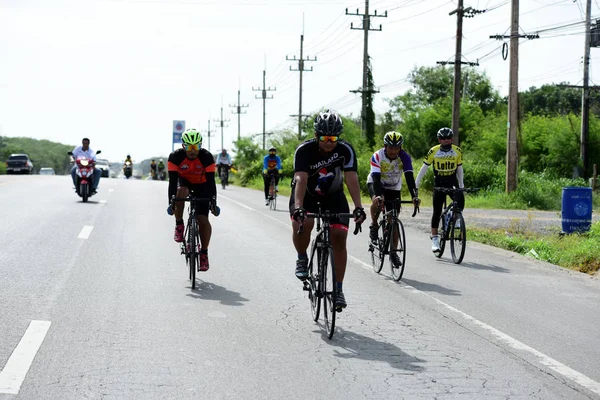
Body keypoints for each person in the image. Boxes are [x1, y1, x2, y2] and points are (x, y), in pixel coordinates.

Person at [290, 109, 366, 309]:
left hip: (333, 195)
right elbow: (300, 178)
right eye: (325, 138)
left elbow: (351, 178)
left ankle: (338, 290)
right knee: (304, 222)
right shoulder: (304, 151)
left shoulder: (345, 150)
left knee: (339, 237)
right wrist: (298, 207)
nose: (329, 142)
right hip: (306, 194)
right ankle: (302, 257)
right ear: (316, 136)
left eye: (333, 138)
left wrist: (358, 206)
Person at [166, 129, 218, 271]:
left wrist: (213, 202)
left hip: (203, 185)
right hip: (185, 183)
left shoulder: (206, 157)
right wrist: (171, 202)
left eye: (196, 147)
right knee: (180, 192)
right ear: (183, 146)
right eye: (189, 147)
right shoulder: (175, 157)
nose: (193, 151)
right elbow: (172, 182)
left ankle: (204, 253)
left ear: (201, 146)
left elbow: (211, 182)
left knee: (203, 220)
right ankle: (179, 225)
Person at [367, 131, 420, 265]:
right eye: (391, 147)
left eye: (397, 148)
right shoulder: (377, 156)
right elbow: (376, 178)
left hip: (394, 186)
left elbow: (409, 177)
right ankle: (374, 225)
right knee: (378, 201)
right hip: (376, 182)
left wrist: (414, 196)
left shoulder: (404, 157)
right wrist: (379, 195)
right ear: (385, 146)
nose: (394, 151)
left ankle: (393, 253)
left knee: (394, 220)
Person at [415, 127, 465, 253]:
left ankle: (455, 218)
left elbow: (459, 169)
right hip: (439, 183)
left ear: (452, 139)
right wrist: (416, 184)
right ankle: (435, 239)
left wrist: (461, 184)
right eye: (443, 138)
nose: (446, 141)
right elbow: (424, 168)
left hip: (452, 182)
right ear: (439, 139)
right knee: (436, 212)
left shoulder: (457, 151)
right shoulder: (433, 151)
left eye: (448, 138)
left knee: (460, 199)